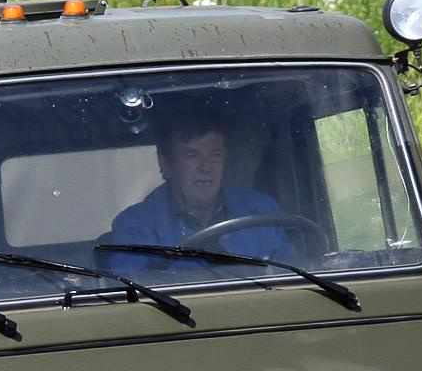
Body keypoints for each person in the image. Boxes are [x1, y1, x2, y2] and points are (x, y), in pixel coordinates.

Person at [104, 114, 299, 272]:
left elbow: (293, 274)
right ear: (166, 164)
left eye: (215, 155)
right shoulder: (135, 226)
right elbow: (134, 295)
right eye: (192, 155)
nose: (206, 167)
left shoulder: (263, 211)